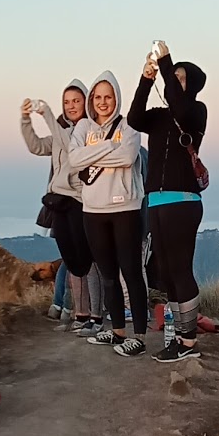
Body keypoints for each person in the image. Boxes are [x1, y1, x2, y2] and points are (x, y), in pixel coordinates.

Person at [127, 39, 208, 363]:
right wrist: (146, 79)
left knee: (181, 268)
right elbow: (134, 117)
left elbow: (180, 105)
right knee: (167, 273)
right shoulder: (161, 118)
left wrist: (165, 62)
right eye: (171, 76)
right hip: (157, 202)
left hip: (183, 201)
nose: (172, 82)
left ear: (193, 86)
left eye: (180, 78)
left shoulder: (195, 112)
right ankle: (180, 338)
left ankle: (189, 344)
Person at [67, 70, 149, 356]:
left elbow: (127, 157)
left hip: (125, 208)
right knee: (107, 275)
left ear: (117, 97)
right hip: (92, 210)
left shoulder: (130, 125)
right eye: (98, 97)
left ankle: (138, 336)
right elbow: (74, 160)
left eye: (108, 96)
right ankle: (116, 332)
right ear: (92, 100)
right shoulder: (82, 128)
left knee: (131, 272)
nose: (103, 102)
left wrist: (94, 151)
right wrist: (108, 146)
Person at [19, 81, 98, 334]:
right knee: (72, 262)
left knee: (86, 261)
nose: (71, 106)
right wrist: (25, 120)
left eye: (76, 101)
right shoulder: (60, 131)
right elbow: (36, 146)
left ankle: (93, 316)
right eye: (67, 102)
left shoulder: (90, 132)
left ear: (85, 102)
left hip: (80, 201)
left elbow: (67, 144)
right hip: (60, 203)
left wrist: (48, 114)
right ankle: (80, 315)